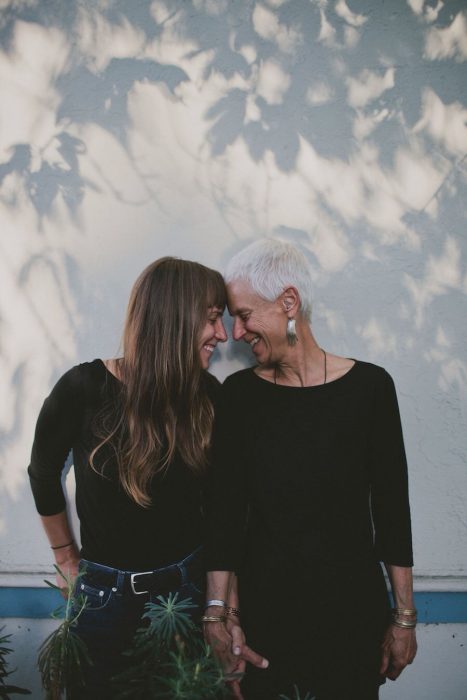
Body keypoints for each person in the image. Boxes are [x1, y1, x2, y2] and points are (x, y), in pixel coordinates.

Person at [204, 239, 417, 700]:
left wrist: (404, 618)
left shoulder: (371, 389)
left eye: (243, 315)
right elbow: (225, 517)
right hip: (264, 628)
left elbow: (392, 510)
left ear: (288, 302)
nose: (237, 333)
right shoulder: (239, 397)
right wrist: (220, 616)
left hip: (353, 623)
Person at [28, 257, 229, 698]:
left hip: (186, 597)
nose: (223, 334)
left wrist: (221, 609)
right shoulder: (83, 388)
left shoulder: (208, 399)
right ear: (174, 318)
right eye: (212, 319)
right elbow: (42, 473)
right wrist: (65, 558)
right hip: (102, 604)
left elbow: (222, 513)